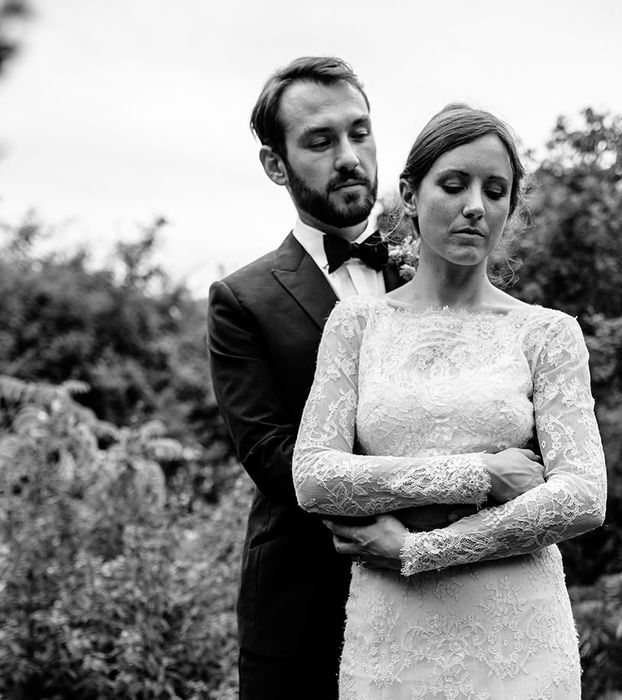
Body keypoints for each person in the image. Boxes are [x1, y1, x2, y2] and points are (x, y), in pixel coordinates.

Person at [292, 104, 607, 698]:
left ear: (511, 208)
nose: (474, 206)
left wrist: (420, 549)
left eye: (495, 191)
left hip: (519, 638)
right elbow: (313, 476)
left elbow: (584, 497)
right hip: (392, 638)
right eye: (454, 184)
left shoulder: (547, 332)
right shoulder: (355, 325)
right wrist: (477, 475)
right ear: (410, 193)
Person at [207, 56, 403, 698]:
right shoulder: (242, 299)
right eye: (320, 141)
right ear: (275, 164)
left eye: (359, 132)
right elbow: (268, 452)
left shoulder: (435, 271)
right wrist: (407, 498)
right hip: (303, 603)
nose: (349, 156)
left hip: (434, 587)